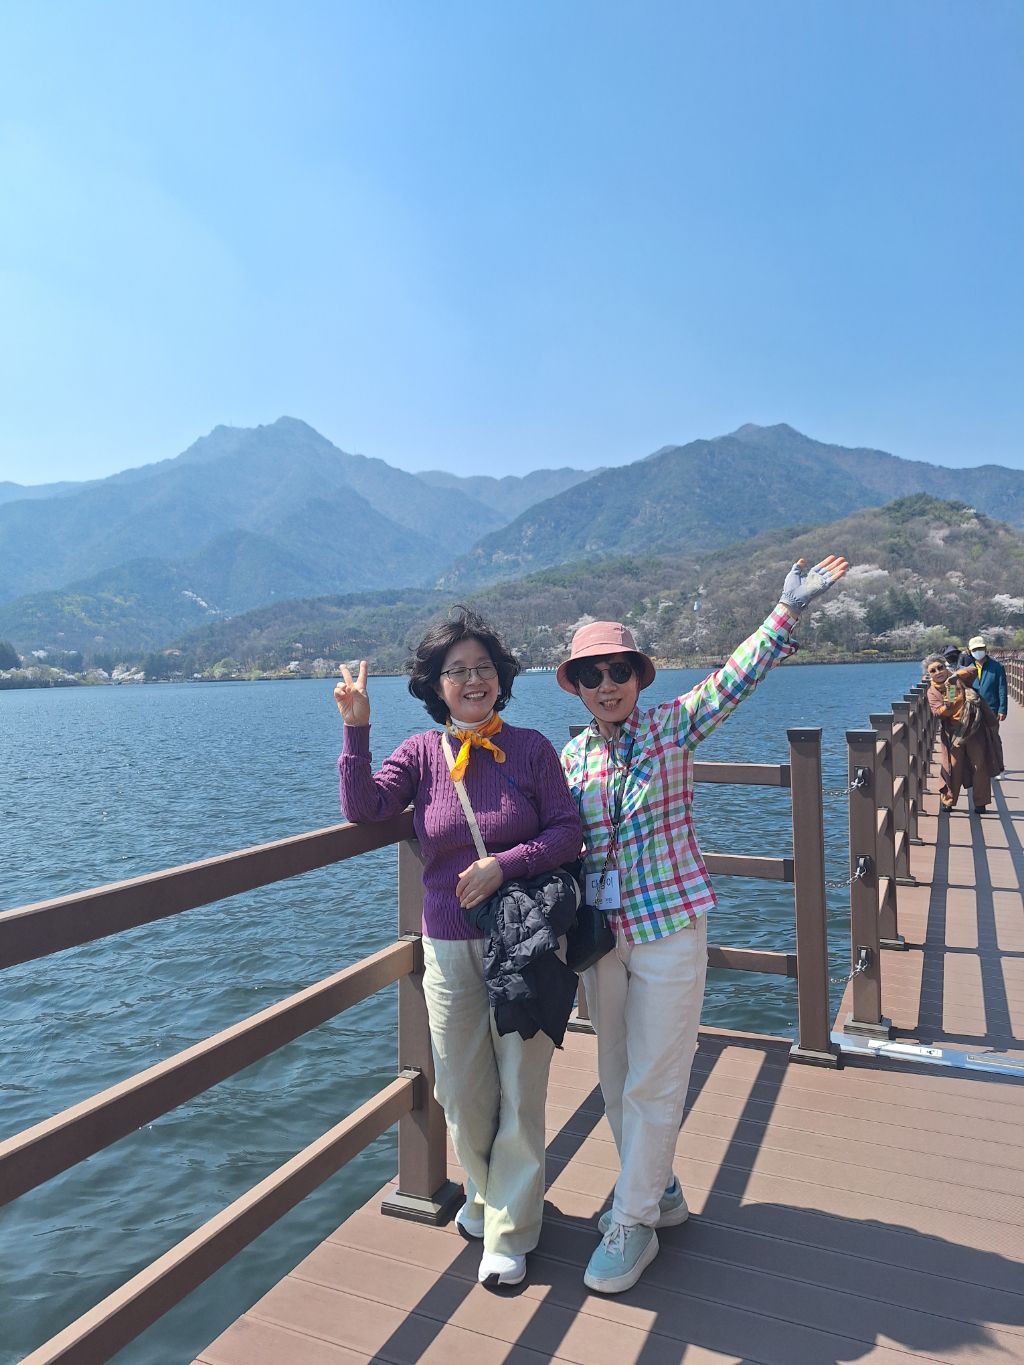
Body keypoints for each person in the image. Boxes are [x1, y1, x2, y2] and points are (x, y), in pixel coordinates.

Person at [557, 556, 849, 1295]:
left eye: (618, 669)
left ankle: (633, 1221)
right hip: (604, 939)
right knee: (615, 1075)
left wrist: (787, 611)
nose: (607, 684)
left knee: (656, 1077)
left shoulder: (671, 727)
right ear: (576, 686)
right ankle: (659, 1190)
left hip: (669, 927)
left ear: (638, 675)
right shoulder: (572, 758)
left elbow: (732, 680)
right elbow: (546, 835)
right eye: (592, 674)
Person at [333, 607, 582, 1290]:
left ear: (501, 679)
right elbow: (364, 807)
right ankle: (486, 1191)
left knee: (521, 1086)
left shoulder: (531, 749)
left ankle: (509, 1230)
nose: (474, 680)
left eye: (484, 669)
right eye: (457, 671)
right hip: (449, 943)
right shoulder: (422, 754)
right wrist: (356, 727)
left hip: (526, 942)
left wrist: (506, 864)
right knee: (459, 1087)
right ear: (435, 685)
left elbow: (567, 832)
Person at [923, 653, 1002, 814]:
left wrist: (956, 676)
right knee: (953, 767)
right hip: (954, 733)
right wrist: (947, 705)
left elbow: (973, 670)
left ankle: (980, 802)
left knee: (979, 764)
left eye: (940, 667)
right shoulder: (932, 691)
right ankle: (948, 800)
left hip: (974, 728)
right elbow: (938, 712)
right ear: (929, 674)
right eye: (933, 670)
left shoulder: (957, 679)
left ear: (945, 667)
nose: (938, 672)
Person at [964, 636, 1008, 725]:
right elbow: (955, 685)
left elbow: (1002, 688)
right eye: (974, 650)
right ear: (969, 651)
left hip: (992, 709)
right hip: (973, 710)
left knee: (992, 732)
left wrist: (1002, 709)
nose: (978, 651)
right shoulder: (967, 669)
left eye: (980, 648)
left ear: (985, 649)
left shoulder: (997, 666)